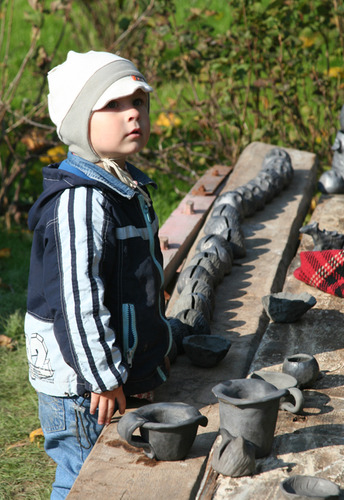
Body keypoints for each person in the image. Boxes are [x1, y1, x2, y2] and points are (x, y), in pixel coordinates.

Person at [24, 50, 172, 499]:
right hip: (82, 386)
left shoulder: (121, 184)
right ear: (76, 122)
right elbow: (77, 295)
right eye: (113, 104)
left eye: (140, 102)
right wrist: (102, 375)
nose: (133, 114)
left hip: (103, 370)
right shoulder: (81, 201)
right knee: (87, 479)